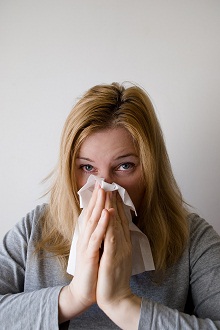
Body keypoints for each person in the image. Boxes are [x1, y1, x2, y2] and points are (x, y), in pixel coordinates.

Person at [0, 82, 220, 330]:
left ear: (150, 168)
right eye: (87, 168)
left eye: (124, 166)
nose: (104, 187)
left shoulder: (191, 237)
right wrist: (73, 298)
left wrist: (121, 303)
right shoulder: (35, 230)